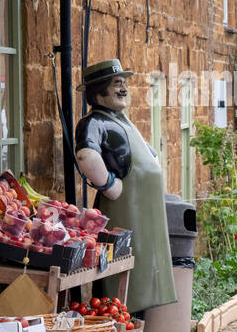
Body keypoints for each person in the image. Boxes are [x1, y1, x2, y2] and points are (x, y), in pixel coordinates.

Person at [74, 60, 175, 315]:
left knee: (143, 274)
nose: (123, 89)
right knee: (122, 277)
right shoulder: (94, 122)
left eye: (124, 83)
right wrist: (109, 185)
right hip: (124, 211)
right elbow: (86, 155)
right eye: (116, 84)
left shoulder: (121, 121)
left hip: (144, 214)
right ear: (98, 92)